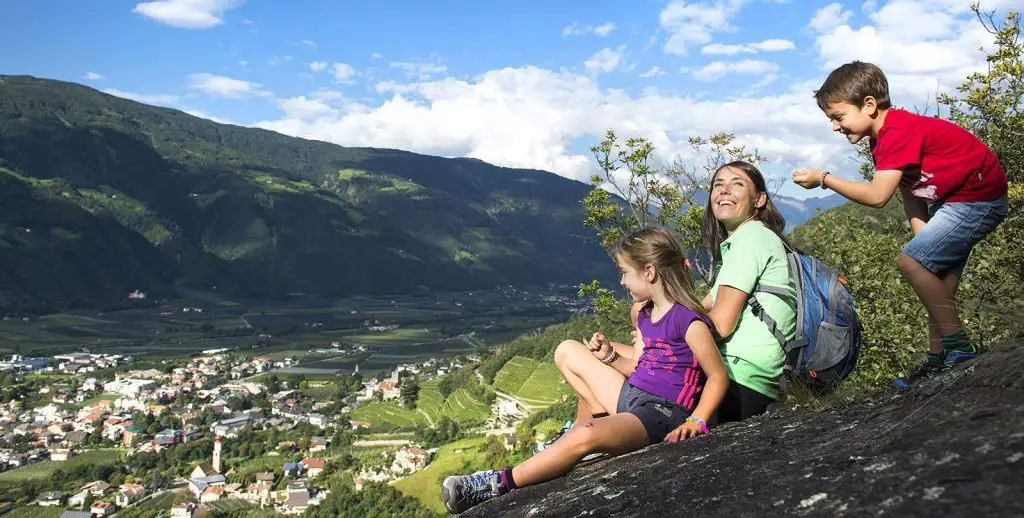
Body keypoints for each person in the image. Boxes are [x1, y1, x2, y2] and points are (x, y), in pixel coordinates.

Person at [440, 226, 729, 515]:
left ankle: (498, 483)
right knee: (567, 349)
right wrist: (610, 356)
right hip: (634, 396)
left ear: (649, 272)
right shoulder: (644, 313)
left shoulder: (689, 322)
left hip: (662, 413)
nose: (623, 281)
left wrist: (697, 421)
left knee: (585, 434)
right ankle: (600, 426)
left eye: (625, 272)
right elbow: (639, 366)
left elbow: (717, 376)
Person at [792, 60, 1009, 389]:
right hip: (955, 202)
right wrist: (926, 247)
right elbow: (911, 193)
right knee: (934, 282)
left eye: (838, 117)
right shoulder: (881, 140)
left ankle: (960, 351)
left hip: (977, 199)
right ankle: (939, 361)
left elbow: (879, 196)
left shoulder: (898, 131)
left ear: (869, 105)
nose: (835, 127)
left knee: (910, 262)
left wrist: (824, 179)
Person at [701, 160, 798, 422]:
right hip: (752, 378)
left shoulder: (751, 237)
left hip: (741, 378)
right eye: (718, 185)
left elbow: (719, 325)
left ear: (759, 200)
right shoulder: (750, 239)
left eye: (737, 185)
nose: (724, 191)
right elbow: (701, 307)